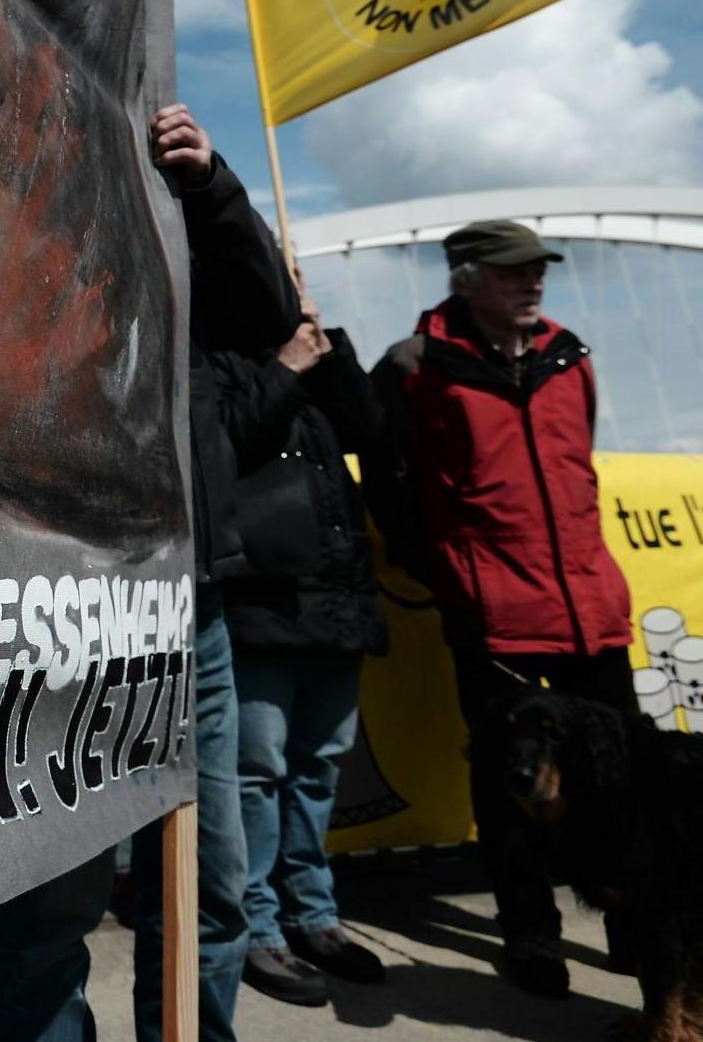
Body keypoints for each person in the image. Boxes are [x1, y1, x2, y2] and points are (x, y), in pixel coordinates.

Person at [0, 104, 298, 1042]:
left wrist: (209, 185)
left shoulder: (181, 260)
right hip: (61, 615)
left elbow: (268, 312)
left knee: (210, 884)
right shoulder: (1, 250)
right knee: (51, 903)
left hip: (187, 613)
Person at [368, 220, 635, 1001]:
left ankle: (630, 921)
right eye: (514, 271)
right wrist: (450, 574)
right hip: (494, 613)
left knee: (615, 779)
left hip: (591, 605)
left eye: (537, 271)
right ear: (465, 278)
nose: (533, 283)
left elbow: (576, 467)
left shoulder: (569, 353)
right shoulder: (414, 368)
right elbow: (390, 486)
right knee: (508, 785)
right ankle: (529, 935)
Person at [221, 270, 387, 1008]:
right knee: (256, 773)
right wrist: (284, 367)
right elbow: (228, 442)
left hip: (335, 603)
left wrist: (330, 348)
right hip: (263, 604)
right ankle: (256, 927)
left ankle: (312, 914)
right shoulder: (222, 361)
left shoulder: (318, 356)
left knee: (318, 767)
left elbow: (371, 431)